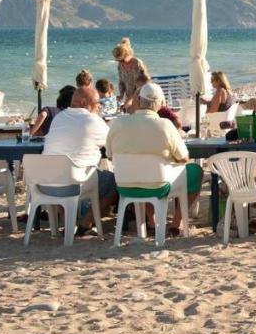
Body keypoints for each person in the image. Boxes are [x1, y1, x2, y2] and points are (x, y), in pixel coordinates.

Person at [105, 82, 194, 235]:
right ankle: (175, 225)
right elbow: (184, 158)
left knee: (141, 172)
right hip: (158, 186)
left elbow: (109, 155)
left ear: (138, 101)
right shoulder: (165, 125)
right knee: (195, 172)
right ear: (160, 104)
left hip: (125, 185)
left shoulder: (117, 123)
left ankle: (151, 222)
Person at [43, 86, 113, 233]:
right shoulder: (92, 120)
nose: (99, 106)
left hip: (46, 184)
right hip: (75, 182)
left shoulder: (59, 117)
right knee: (114, 181)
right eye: (97, 103)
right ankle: (86, 222)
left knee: (66, 172)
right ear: (83, 102)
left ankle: (67, 221)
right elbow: (112, 143)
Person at [113, 38, 150, 112]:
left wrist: (132, 97)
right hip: (129, 96)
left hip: (141, 96)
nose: (121, 62)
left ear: (128, 54)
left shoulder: (137, 63)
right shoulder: (120, 66)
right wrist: (121, 95)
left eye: (122, 60)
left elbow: (145, 81)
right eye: (118, 60)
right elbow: (121, 81)